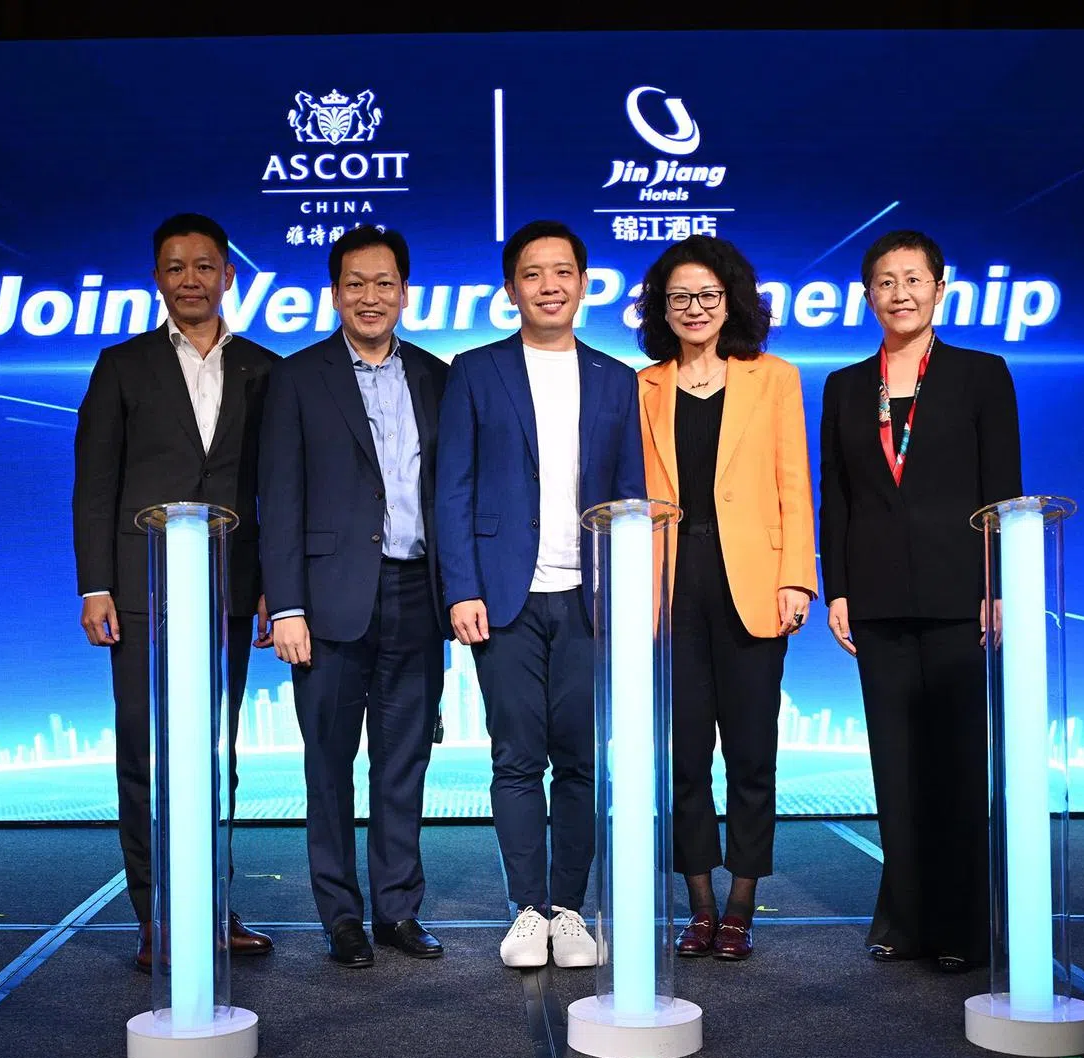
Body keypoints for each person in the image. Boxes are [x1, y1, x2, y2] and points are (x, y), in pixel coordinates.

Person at [436, 220, 646, 968]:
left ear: (583, 284)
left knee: (582, 761)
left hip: (588, 598)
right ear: (511, 288)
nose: (549, 286)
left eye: (562, 272)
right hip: (504, 597)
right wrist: (461, 587)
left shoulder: (617, 378)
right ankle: (527, 909)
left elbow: (630, 499)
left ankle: (570, 909)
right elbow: (452, 489)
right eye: (533, 274)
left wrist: (627, 595)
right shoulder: (475, 370)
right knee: (517, 758)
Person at [73, 212, 276, 970]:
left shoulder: (266, 368)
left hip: (229, 588)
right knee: (146, 752)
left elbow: (276, 491)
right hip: (138, 592)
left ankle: (213, 906)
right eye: (176, 267)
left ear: (228, 275)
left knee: (215, 752)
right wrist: (95, 585)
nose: (191, 280)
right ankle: (156, 914)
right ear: (158, 277)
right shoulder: (122, 366)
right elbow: (95, 485)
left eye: (204, 266)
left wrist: (272, 585)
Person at [819, 229, 1022, 973]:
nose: (899, 293)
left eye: (913, 279)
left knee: (959, 764)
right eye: (885, 281)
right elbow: (836, 494)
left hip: (959, 593)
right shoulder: (846, 385)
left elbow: (1003, 489)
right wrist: (839, 587)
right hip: (875, 597)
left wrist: (997, 584)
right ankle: (903, 918)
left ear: (940, 287)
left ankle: (964, 927)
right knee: (895, 766)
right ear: (867, 295)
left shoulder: (981, 374)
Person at [258, 227, 448, 967]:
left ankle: (397, 910)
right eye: (356, 284)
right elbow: (280, 496)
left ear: (404, 292)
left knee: (404, 763)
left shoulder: (436, 375)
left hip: (416, 592)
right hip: (328, 601)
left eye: (384, 283)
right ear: (335, 292)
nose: (371, 297)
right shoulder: (297, 377)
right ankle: (340, 916)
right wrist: (288, 605)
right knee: (329, 766)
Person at [635, 235, 817, 962]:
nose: (694, 308)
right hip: (671, 582)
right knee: (683, 755)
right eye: (679, 297)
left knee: (751, 752)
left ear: (731, 300)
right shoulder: (643, 385)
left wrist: (796, 577)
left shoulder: (774, 378)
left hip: (753, 580)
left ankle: (741, 903)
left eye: (707, 295)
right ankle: (700, 905)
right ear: (661, 308)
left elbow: (794, 484)